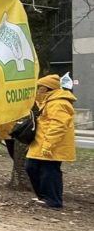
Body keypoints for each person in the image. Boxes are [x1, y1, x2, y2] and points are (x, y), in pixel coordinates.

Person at [25, 74, 76, 210]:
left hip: (52, 145)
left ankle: (53, 200)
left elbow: (58, 126)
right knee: (32, 167)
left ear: (48, 89)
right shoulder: (47, 101)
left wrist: (48, 145)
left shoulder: (59, 103)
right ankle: (44, 197)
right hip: (41, 142)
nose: (37, 91)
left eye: (39, 88)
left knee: (50, 171)